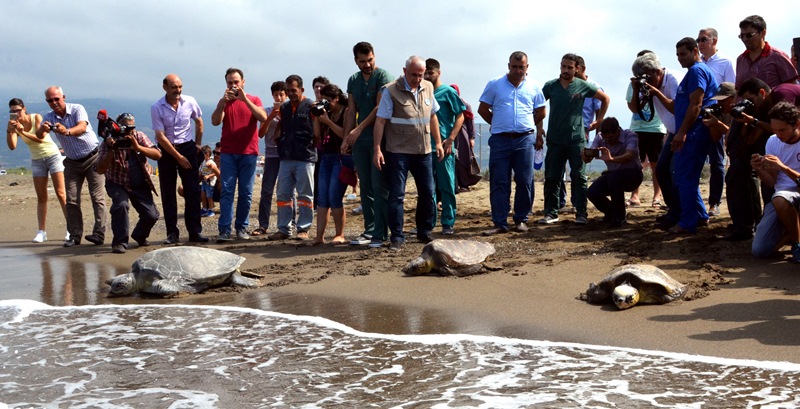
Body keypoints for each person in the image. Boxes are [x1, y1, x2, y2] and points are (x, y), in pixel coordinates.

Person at [373, 56, 444, 251]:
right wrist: (377, 149)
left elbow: (433, 116)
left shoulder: (428, 87)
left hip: (423, 151)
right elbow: (380, 121)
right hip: (398, 152)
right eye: (414, 75)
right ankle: (397, 236)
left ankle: (424, 230)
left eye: (421, 75)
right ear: (404, 71)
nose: (418, 79)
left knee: (428, 192)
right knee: (397, 195)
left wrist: (437, 142)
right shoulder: (391, 90)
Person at [478, 51, 546, 235]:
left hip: (525, 139)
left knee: (525, 180)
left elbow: (541, 111)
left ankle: (521, 219)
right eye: (514, 67)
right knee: (499, 180)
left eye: (521, 67)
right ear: (508, 66)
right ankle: (500, 222)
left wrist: (533, 127)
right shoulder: (495, 84)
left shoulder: (533, 86)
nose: (517, 71)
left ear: (527, 67)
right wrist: (497, 122)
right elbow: (483, 108)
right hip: (500, 139)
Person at [540, 53, 610, 225]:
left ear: (577, 68)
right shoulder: (550, 86)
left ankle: (581, 213)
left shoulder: (583, 86)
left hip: (576, 139)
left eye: (570, 67)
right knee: (552, 177)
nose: (565, 70)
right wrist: (539, 128)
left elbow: (605, 98)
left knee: (578, 176)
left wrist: (599, 120)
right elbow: (537, 105)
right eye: (563, 66)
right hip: (555, 139)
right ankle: (551, 213)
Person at [37, 86, 106, 247]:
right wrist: (43, 129)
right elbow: (39, 136)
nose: (54, 103)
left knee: (97, 198)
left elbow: (82, 127)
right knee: (72, 200)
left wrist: (67, 131)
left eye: (57, 99)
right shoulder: (48, 117)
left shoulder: (77, 109)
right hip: (72, 162)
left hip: (93, 158)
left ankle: (99, 234)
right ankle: (75, 236)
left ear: (63, 97)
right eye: (50, 100)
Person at [342, 42, 394, 248]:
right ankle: (370, 229)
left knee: (380, 185)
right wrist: (347, 137)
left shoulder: (383, 77)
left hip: (379, 138)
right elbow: (351, 108)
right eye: (362, 61)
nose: (367, 64)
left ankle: (382, 231)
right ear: (356, 61)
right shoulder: (353, 80)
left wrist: (359, 129)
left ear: (374, 56)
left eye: (370, 60)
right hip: (360, 141)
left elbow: (379, 107)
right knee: (366, 186)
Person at [666, 37, 719, 234]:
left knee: (684, 178)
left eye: (684, 54)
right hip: (690, 132)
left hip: (694, 133)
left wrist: (681, 133)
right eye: (678, 55)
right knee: (687, 177)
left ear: (695, 51)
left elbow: (696, 104)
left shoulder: (697, 71)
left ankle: (688, 222)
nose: (680, 58)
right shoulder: (692, 73)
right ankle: (700, 215)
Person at [211, 67, 267, 242]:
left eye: (236, 82)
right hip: (228, 153)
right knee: (227, 192)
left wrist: (244, 100)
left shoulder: (254, 99)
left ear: (243, 82)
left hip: (249, 153)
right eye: (230, 82)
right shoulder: (225, 102)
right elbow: (215, 121)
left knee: (246, 192)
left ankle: (241, 228)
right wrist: (222, 102)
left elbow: (263, 117)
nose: (234, 85)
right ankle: (224, 230)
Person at [151, 73, 208, 244]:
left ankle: (195, 232)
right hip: (167, 149)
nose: (178, 90)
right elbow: (160, 136)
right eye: (174, 87)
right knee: (168, 192)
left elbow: (199, 121)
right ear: (165, 87)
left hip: (187, 146)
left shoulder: (189, 101)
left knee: (193, 190)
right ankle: (172, 233)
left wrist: (198, 144)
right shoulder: (157, 107)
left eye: (180, 87)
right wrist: (178, 157)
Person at [95, 113, 161, 254]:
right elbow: (100, 170)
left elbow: (158, 154)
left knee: (152, 215)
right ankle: (119, 242)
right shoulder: (108, 142)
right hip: (117, 182)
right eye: (126, 128)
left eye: (132, 128)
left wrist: (138, 148)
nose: (129, 132)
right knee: (121, 205)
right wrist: (112, 150)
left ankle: (139, 235)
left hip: (139, 182)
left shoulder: (139, 136)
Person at [630, 52, 682, 227]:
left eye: (648, 76)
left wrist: (656, 93)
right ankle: (673, 210)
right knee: (661, 170)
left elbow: (677, 108)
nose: (646, 80)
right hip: (672, 131)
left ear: (658, 71)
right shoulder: (649, 85)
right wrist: (638, 89)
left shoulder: (673, 79)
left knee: (675, 172)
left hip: (684, 131)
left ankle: (684, 213)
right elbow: (636, 109)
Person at [6, 98, 67, 243]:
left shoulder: (36, 118)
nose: (16, 113)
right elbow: (12, 146)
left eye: (18, 111)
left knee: (60, 193)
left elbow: (41, 138)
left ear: (24, 109)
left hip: (52, 155)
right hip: (37, 159)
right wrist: (10, 130)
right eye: (12, 111)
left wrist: (23, 132)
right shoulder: (15, 125)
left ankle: (71, 229)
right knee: (41, 196)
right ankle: (42, 232)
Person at [702, 83, 756, 241]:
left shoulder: (740, 110)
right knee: (732, 183)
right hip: (736, 156)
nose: (719, 104)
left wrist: (717, 124)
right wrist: (712, 123)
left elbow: (735, 135)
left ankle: (746, 227)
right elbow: (715, 138)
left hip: (747, 156)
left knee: (744, 186)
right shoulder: (721, 112)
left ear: (733, 98)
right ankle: (739, 224)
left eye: (723, 100)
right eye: (718, 101)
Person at [268, 75, 316, 241]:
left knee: (305, 196)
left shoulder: (311, 106)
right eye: (288, 91)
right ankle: (284, 229)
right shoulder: (285, 108)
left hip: (305, 157)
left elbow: (318, 129)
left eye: (293, 90)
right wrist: (277, 136)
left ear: (301, 90)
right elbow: (280, 127)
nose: (291, 94)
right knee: (283, 195)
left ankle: (303, 229)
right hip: (286, 157)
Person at [751, 102, 800, 262]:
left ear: (796, 124)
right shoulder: (773, 141)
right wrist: (759, 169)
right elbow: (771, 182)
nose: (778, 134)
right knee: (760, 250)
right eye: (774, 130)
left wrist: (783, 167)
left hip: (789, 196)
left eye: (782, 130)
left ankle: (797, 244)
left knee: (780, 198)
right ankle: (792, 232)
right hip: (781, 200)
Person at [424, 58, 465, 235]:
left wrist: (451, 138)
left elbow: (460, 115)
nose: (427, 75)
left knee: (447, 185)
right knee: (428, 188)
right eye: (425, 72)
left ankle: (448, 222)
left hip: (445, 148)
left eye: (430, 72)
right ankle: (428, 223)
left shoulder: (448, 92)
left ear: (438, 73)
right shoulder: (422, 92)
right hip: (425, 148)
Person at [698, 27, 736, 217]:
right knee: (694, 159)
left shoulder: (725, 63)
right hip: (698, 116)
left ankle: (714, 203)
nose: (700, 43)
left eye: (703, 39)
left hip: (718, 115)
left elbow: (731, 91)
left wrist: (719, 115)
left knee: (716, 161)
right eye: (698, 40)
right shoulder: (697, 63)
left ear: (715, 41)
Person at [584, 118, 643, 227]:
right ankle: (611, 212)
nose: (608, 141)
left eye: (611, 137)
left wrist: (611, 159)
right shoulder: (600, 138)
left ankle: (619, 217)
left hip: (632, 175)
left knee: (614, 178)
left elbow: (630, 155)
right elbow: (591, 153)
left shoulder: (630, 136)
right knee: (592, 192)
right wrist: (586, 156)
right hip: (613, 175)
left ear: (618, 130)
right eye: (606, 138)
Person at [626, 50, 667, 209]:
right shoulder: (633, 84)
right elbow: (633, 108)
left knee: (657, 164)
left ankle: (657, 196)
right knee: (636, 164)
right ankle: (634, 195)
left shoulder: (660, 81)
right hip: (637, 128)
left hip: (656, 128)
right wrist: (638, 90)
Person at [312, 84, 352, 245]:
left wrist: (328, 122)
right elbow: (317, 135)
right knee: (322, 198)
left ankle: (340, 234)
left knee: (335, 196)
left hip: (342, 158)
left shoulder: (347, 111)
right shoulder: (325, 113)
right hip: (326, 157)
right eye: (323, 101)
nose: (326, 104)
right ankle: (319, 236)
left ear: (336, 99)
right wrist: (316, 116)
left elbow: (345, 135)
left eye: (328, 101)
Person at [254, 81, 288, 236]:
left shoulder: (290, 111)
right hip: (271, 155)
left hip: (287, 155)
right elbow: (260, 134)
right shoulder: (266, 111)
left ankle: (289, 224)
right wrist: (270, 118)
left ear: (286, 95)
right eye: (276, 94)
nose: (279, 97)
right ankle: (263, 225)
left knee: (287, 191)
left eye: (281, 94)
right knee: (267, 190)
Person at [735, 15, 798, 89]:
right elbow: (738, 91)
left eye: (749, 35)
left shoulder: (778, 56)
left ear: (763, 33)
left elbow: (792, 89)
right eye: (742, 36)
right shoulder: (741, 60)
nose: (745, 39)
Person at [450, 83, 481, 191]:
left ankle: (464, 183)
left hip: (463, 136)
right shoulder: (447, 104)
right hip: (451, 135)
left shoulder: (465, 105)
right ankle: (455, 183)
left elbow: (470, 122)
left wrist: (471, 138)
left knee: (464, 159)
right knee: (453, 160)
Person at [199, 145, 220, 217]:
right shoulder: (203, 162)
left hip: (210, 183)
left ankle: (211, 209)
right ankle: (204, 208)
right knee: (203, 196)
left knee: (209, 197)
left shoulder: (211, 162)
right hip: (204, 182)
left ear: (207, 154)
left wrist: (208, 176)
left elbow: (215, 172)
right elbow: (201, 171)